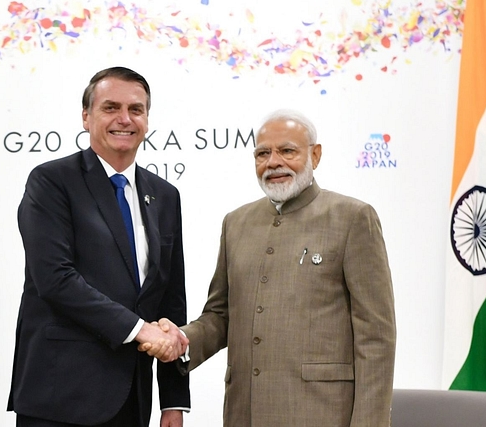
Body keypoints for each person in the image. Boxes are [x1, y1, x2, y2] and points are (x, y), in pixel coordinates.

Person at [143, 109, 396, 426]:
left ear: (315, 155)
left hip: (323, 414)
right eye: (263, 154)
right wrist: (180, 339)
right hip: (244, 413)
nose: (273, 162)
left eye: (287, 150)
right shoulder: (237, 223)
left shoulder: (352, 218)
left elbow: (376, 338)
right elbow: (221, 317)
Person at [7, 66, 190, 427]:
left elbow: (171, 299)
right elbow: (56, 280)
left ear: (147, 120)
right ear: (86, 117)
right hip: (60, 398)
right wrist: (141, 330)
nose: (125, 119)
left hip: (132, 401)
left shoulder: (165, 195)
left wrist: (173, 400)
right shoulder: (52, 181)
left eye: (136, 109)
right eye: (110, 108)